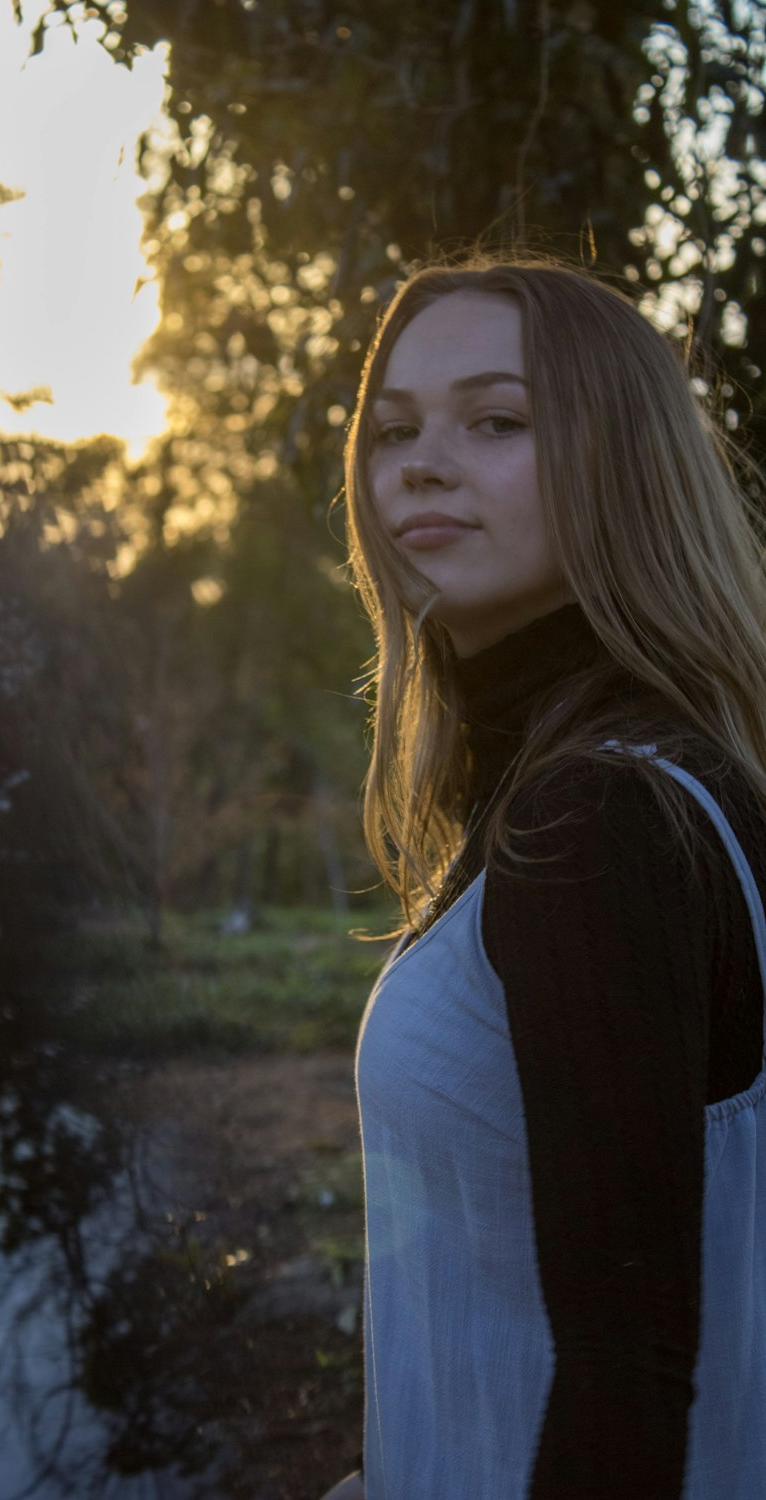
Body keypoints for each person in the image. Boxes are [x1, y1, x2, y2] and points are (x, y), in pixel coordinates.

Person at [322, 256, 766, 1499]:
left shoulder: (597, 820)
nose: (416, 461)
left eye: (496, 420)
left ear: (619, 463)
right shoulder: (641, 777)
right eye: (394, 428)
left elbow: (627, 1368)